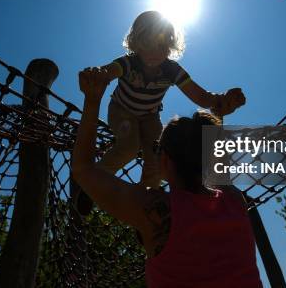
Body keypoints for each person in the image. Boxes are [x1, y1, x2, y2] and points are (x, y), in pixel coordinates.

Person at [72, 67, 263, 288]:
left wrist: (93, 99)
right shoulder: (233, 201)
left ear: (165, 161)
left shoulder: (157, 211)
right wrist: (218, 114)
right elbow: (216, 165)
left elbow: (83, 169)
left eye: (156, 148)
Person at [75, 10, 245, 214]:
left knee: (157, 156)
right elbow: (108, 72)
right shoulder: (128, 63)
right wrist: (97, 74)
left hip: (149, 116)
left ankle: (147, 202)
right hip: (122, 111)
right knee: (129, 146)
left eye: (162, 46)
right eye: (149, 45)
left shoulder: (172, 70)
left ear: (170, 47)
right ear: (137, 44)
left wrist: (220, 100)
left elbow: (199, 95)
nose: (155, 53)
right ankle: (93, 185)